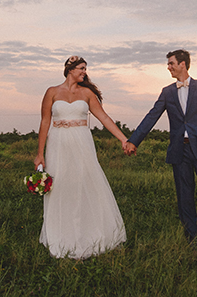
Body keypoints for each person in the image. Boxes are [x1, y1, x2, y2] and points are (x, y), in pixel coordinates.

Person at [123, 50, 197, 257]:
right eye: (168, 64)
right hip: (180, 152)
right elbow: (152, 116)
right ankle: (194, 245)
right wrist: (133, 140)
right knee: (185, 199)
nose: (168, 67)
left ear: (183, 64)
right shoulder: (167, 92)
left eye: (171, 63)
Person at [34, 55, 129, 259]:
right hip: (58, 143)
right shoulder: (51, 92)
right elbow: (44, 122)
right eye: (81, 68)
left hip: (82, 142)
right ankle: (61, 235)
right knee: (60, 185)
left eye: (85, 69)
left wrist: (123, 139)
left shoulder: (87, 94)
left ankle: (92, 232)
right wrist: (40, 153)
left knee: (85, 182)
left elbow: (104, 117)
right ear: (70, 70)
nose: (84, 72)